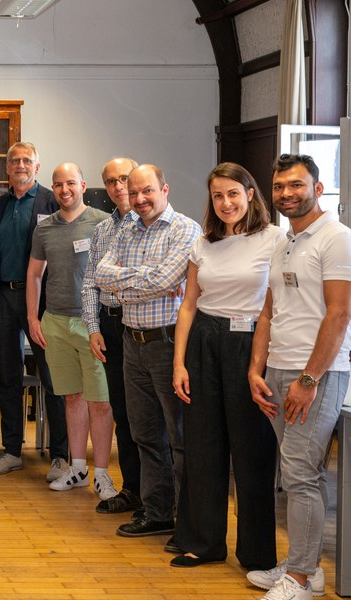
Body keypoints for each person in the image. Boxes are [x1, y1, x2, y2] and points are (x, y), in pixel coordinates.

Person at [246, 154, 351, 599]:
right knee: (296, 473)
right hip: (278, 369)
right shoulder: (284, 241)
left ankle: (303, 578)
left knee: (300, 475)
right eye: (280, 186)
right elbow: (268, 312)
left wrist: (309, 380)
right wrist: (256, 367)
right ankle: (304, 564)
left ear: (318, 188)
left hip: (317, 373)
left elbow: (340, 312)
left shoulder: (337, 238)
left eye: (296, 185)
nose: (287, 193)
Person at [168, 162, 281, 569]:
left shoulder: (274, 239)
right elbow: (188, 305)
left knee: (252, 451)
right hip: (204, 342)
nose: (226, 202)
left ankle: (256, 553)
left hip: (251, 344)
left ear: (250, 193)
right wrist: (179, 362)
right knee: (202, 445)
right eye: (218, 195)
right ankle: (204, 541)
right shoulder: (203, 243)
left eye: (233, 193)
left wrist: (257, 360)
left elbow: (273, 304)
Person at [94, 164, 200, 540]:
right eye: (133, 192)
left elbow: (165, 280)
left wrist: (127, 279)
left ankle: (190, 521)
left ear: (164, 189)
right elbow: (100, 277)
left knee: (180, 438)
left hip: (169, 343)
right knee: (145, 435)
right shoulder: (126, 227)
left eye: (146, 191)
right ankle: (157, 513)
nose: (139, 199)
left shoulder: (185, 229)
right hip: (132, 342)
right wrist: (141, 278)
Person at [25, 163, 113, 498]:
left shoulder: (102, 223)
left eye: (71, 183)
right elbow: (34, 274)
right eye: (58, 184)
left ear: (83, 185)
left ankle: (103, 474)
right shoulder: (44, 228)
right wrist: (34, 319)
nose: (65, 190)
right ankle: (77, 468)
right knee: (72, 398)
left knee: (100, 402)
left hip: (91, 325)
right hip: (56, 323)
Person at [0, 142, 69, 481]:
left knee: (53, 379)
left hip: (43, 303)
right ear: (7, 168)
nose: (20, 165)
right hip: (5, 298)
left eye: (26, 161)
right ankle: (11, 451)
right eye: (14, 161)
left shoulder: (51, 200)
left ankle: (61, 455)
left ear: (37, 167)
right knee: (8, 378)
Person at [81, 157, 143, 515]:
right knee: (121, 409)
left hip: (139, 324)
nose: (119, 187)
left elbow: (140, 277)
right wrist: (92, 327)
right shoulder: (103, 230)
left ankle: (157, 494)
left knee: (146, 415)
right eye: (111, 182)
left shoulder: (150, 224)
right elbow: (91, 281)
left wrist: (113, 277)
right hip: (108, 325)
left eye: (124, 179)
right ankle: (132, 488)